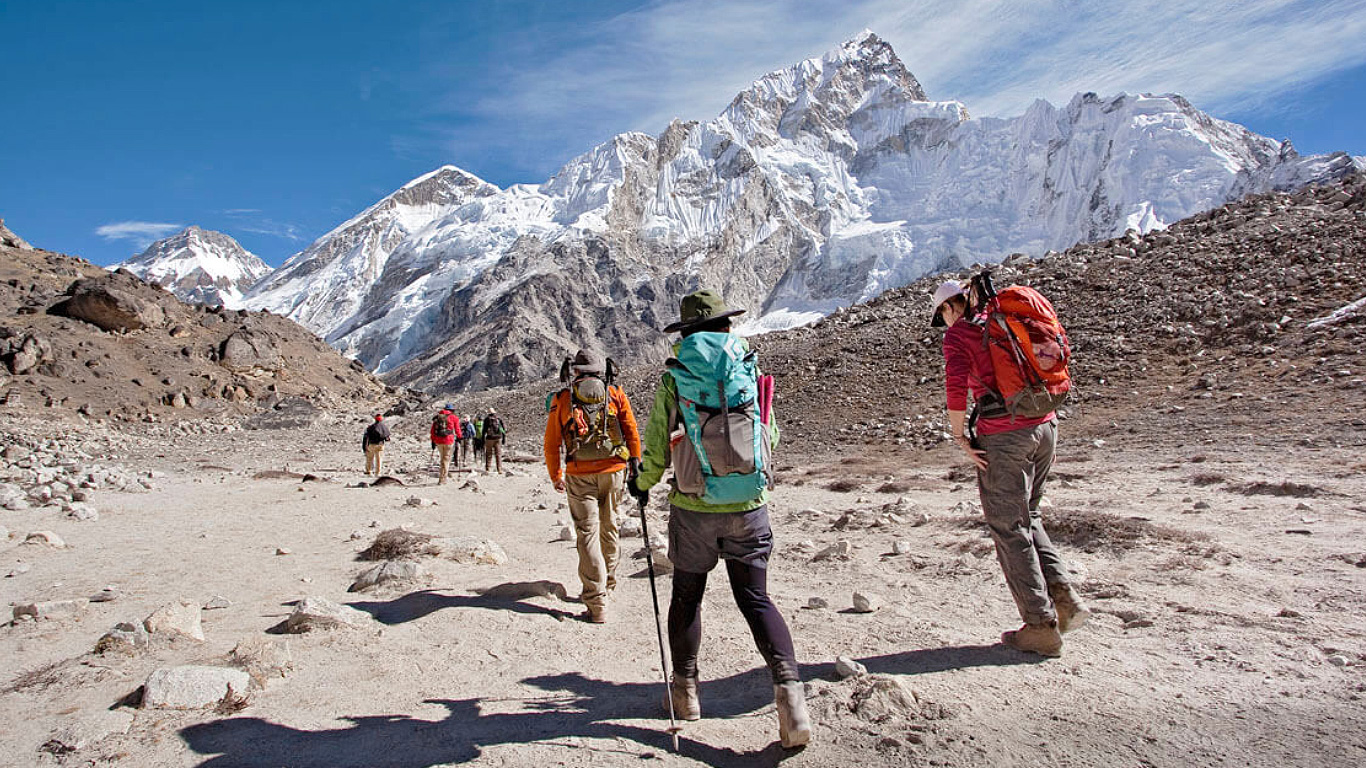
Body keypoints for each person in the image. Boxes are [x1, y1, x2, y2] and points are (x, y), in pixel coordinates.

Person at [627, 289, 811, 749]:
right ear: (726, 325)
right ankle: (791, 700)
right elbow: (770, 433)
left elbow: (653, 446)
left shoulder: (676, 377)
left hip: (693, 508)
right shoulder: (749, 368)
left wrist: (643, 484)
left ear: (686, 333)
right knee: (756, 599)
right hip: (749, 505)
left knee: (687, 597)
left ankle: (686, 694)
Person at [931, 278, 1090, 658]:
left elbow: (956, 386)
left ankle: (1039, 626)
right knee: (1029, 515)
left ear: (950, 307)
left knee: (1008, 525)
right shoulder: (1003, 321)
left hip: (1005, 435)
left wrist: (959, 437)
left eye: (942, 314)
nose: (945, 322)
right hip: (1045, 424)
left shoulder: (960, 335)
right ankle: (1064, 600)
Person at [544, 349, 642, 624]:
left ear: (575, 371)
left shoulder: (563, 399)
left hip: (578, 473)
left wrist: (556, 475)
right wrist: (636, 462)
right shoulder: (615, 394)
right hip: (613, 471)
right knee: (610, 527)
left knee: (587, 533)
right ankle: (608, 585)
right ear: (600, 369)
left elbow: (552, 442)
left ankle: (596, 601)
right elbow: (631, 430)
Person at [429, 407, 461, 484]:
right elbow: (457, 429)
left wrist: (433, 441)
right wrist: (459, 437)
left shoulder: (437, 417)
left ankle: (441, 478)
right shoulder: (454, 417)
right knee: (446, 460)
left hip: (438, 441)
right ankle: (443, 479)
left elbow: (432, 431)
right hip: (449, 441)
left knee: (442, 459)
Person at [482, 409, 506, 473]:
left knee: (488, 454)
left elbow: (484, 430)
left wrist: (482, 439)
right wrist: (504, 438)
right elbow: (503, 429)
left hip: (489, 439)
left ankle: (488, 469)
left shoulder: (486, 419)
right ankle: (499, 469)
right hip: (498, 438)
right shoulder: (499, 419)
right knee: (498, 454)